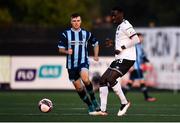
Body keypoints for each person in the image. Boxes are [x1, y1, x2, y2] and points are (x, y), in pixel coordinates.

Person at [97, 7, 140, 116]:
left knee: (111, 79)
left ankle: (124, 103)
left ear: (121, 14)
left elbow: (136, 39)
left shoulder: (126, 25)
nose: (113, 17)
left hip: (127, 58)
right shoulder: (119, 26)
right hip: (120, 58)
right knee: (102, 80)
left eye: (115, 15)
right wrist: (113, 43)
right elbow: (123, 40)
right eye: (112, 15)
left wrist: (121, 47)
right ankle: (103, 110)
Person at [58, 13, 100, 115]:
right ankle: (90, 105)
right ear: (71, 22)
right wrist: (67, 52)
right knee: (79, 88)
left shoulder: (86, 33)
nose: (76, 23)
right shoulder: (65, 34)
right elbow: (60, 49)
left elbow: (96, 43)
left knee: (85, 79)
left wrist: (96, 55)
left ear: (80, 22)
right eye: (74, 21)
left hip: (83, 62)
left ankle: (94, 100)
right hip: (71, 65)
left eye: (78, 21)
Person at [122, 33, 157, 102]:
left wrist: (147, 61)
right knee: (142, 81)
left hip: (138, 67)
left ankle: (122, 96)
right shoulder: (134, 46)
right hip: (136, 67)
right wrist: (131, 66)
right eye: (140, 37)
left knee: (131, 82)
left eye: (142, 37)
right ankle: (147, 97)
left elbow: (143, 56)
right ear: (137, 38)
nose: (142, 38)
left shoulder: (139, 46)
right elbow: (130, 56)